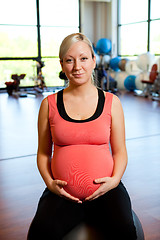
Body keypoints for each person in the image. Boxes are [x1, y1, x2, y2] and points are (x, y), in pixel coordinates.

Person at [27, 33, 137, 240]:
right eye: (69, 60)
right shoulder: (48, 104)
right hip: (62, 193)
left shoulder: (112, 102)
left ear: (94, 61)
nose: (77, 66)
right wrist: (51, 184)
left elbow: (121, 152)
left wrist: (114, 181)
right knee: (39, 234)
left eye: (84, 58)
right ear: (61, 64)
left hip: (107, 190)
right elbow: (43, 154)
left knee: (125, 232)